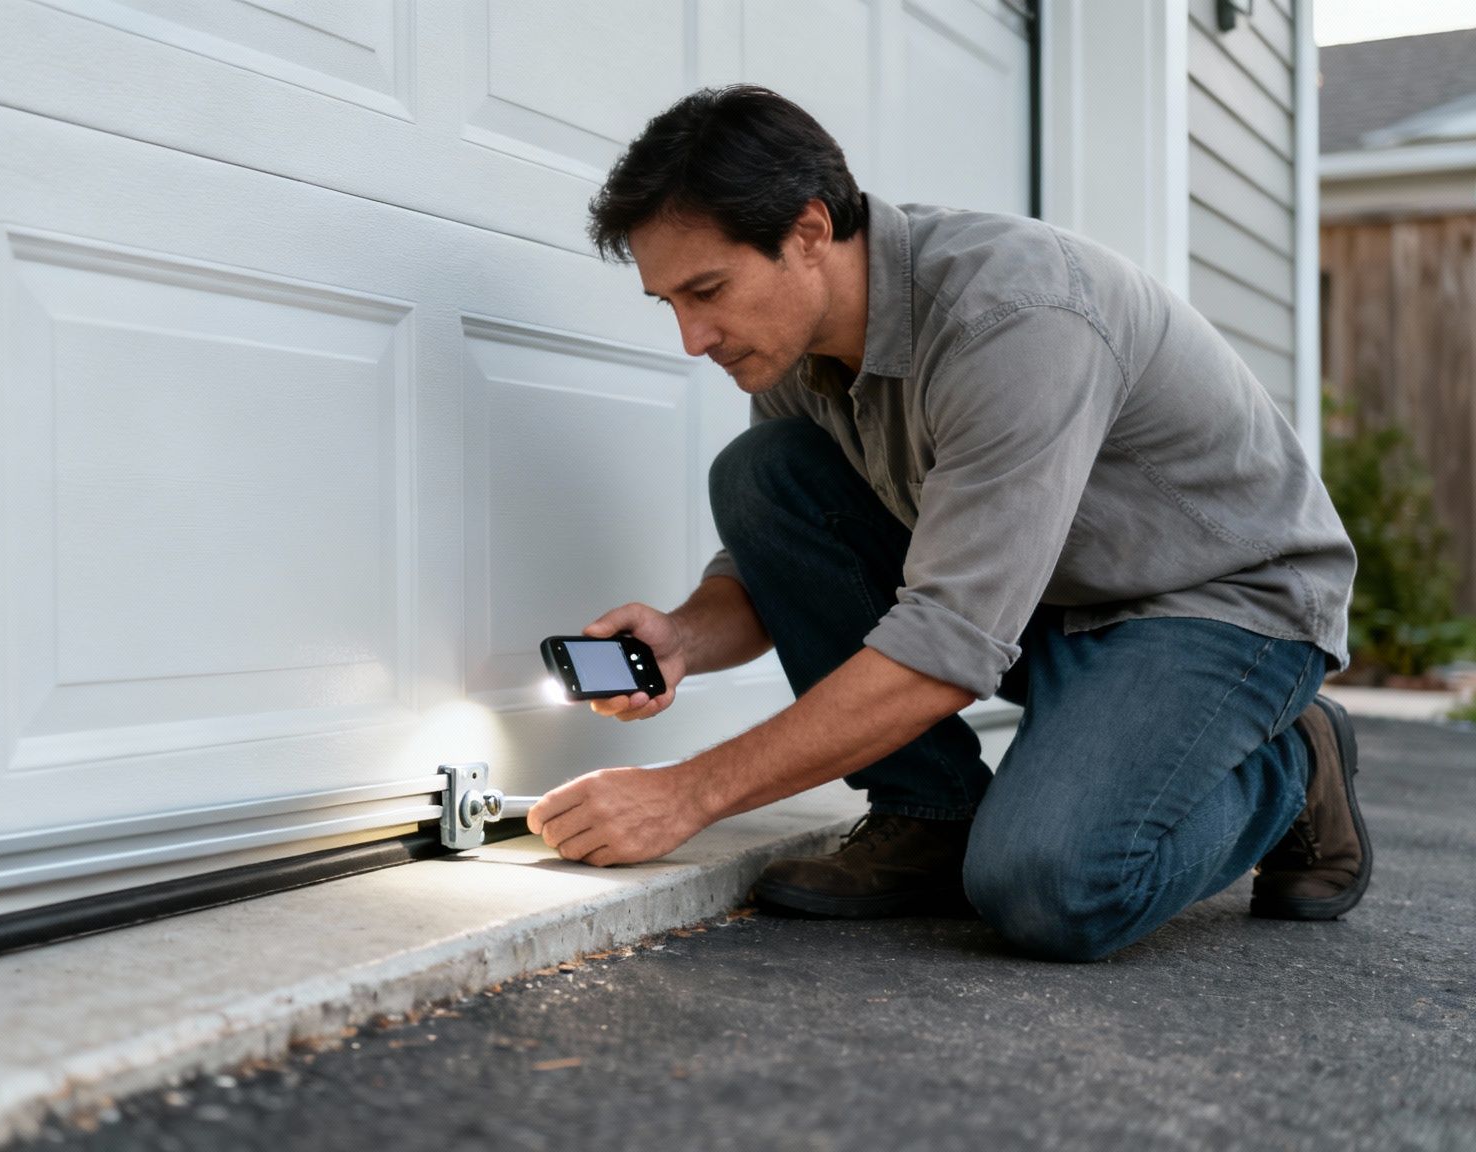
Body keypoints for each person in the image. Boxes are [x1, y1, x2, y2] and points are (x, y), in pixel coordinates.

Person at [522, 86, 1369, 963]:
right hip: (1049, 601)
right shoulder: (792, 344)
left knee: (1052, 887)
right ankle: (928, 814)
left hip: (1223, 607)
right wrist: (685, 640)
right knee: (764, 474)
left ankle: (1292, 763)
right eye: (670, 304)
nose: (694, 338)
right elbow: (784, 557)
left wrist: (688, 794)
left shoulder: (1014, 317)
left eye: (709, 291)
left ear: (809, 231)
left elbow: (947, 644)